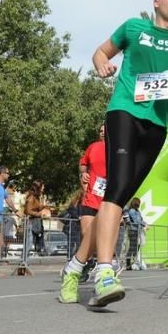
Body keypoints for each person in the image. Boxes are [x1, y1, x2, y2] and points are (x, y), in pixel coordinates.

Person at [85, 0, 168, 308]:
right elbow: (101, 51)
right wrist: (101, 66)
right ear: (156, 2)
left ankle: (77, 262)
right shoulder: (134, 28)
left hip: (158, 123)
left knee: (122, 196)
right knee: (118, 186)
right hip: (124, 109)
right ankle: (105, 271)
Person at [59, 124, 111, 303]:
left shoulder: (119, 149)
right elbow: (82, 165)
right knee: (87, 233)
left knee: (102, 236)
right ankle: (93, 263)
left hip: (110, 201)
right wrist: (83, 175)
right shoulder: (93, 147)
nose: (103, 132)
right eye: (101, 131)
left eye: (106, 130)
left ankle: (94, 267)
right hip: (91, 198)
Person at [24, 180, 52, 257]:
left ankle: (26, 262)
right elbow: (28, 211)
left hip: (36, 222)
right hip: (30, 222)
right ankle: (23, 263)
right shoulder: (31, 198)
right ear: (38, 187)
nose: (44, 188)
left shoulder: (37, 197)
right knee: (29, 243)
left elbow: (37, 207)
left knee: (34, 242)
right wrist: (39, 214)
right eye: (42, 186)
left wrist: (44, 207)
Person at [125, 197, 148, 270]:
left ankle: (134, 263)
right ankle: (128, 263)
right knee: (132, 248)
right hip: (133, 230)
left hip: (138, 230)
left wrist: (144, 223)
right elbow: (137, 220)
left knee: (136, 247)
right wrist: (144, 224)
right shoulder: (132, 211)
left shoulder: (137, 211)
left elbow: (141, 219)